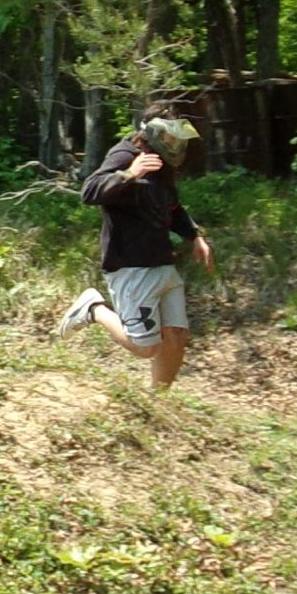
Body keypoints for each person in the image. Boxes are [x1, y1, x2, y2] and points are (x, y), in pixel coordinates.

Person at [57, 103, 213, 388]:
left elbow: (172, 206)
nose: (174, 145)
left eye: (177, 139)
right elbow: (89, 191)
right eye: (169, 138)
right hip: (130, 265)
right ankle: (93, 309)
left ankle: (159, 400)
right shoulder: (125, 154)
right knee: (145, 347)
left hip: (161, 261)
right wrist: (130, 173)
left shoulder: (162, 164)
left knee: (176, 336)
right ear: (153, 133)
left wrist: (195, 236)